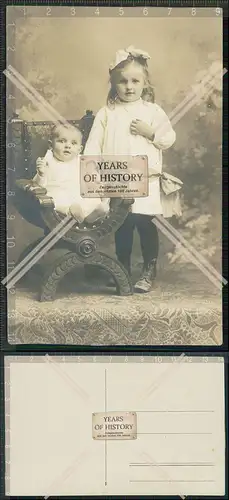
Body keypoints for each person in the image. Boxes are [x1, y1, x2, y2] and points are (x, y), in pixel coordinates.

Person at [84, 45, 182, 293]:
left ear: (145, 83)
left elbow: (168, 138)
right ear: (114, 84)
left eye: (135, 81)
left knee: (144, 222)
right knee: (122, 223)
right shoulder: (107, 113)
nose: (129, 86)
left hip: (144, 180)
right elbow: (93, 144)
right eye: (122, 81)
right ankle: (123, 268)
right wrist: (91, 170)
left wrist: (151, 133)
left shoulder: (152, 111)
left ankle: (149, 268)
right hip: (117, 178)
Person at [33, 123, 108, 223]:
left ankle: (92, 216)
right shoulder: (48, 161)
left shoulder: (82, 162)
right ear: (51, 145)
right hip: (58, 194)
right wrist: (41, 174)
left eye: (73, 143)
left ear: (79, 149)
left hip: (78, 194)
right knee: (58, 202)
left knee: (92, 200)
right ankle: (72, 213)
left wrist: (98, 184)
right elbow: (38, 185)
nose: (67, 146)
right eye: (62, 141)